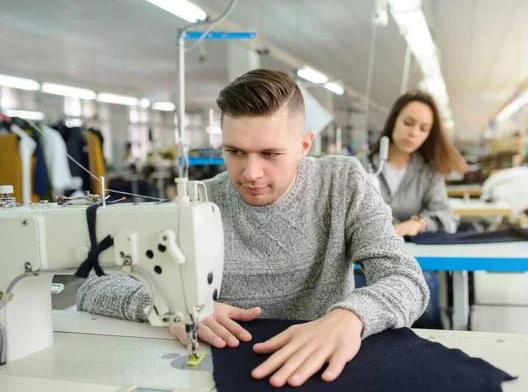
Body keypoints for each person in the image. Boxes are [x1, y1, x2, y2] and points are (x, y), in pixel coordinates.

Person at [77, 69, 428, 388]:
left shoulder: (343, 183)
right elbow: (93, 287)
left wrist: (351, 316)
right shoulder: (203, 200)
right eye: (235, 152)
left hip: (323, 368)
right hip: (223, 368)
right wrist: (167, 306)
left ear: (304, 145)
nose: (251, 173)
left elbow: (406, 279)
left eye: (270, 154)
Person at [368, 91, 467, 329]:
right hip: (366, 259)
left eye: (423, 129)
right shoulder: (362, 165)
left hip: (412, 260)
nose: (413, 133)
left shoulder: (428, 172)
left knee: (426, 292)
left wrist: (417, 223)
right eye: (408, 123)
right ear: (394, 121)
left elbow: (446, 217)